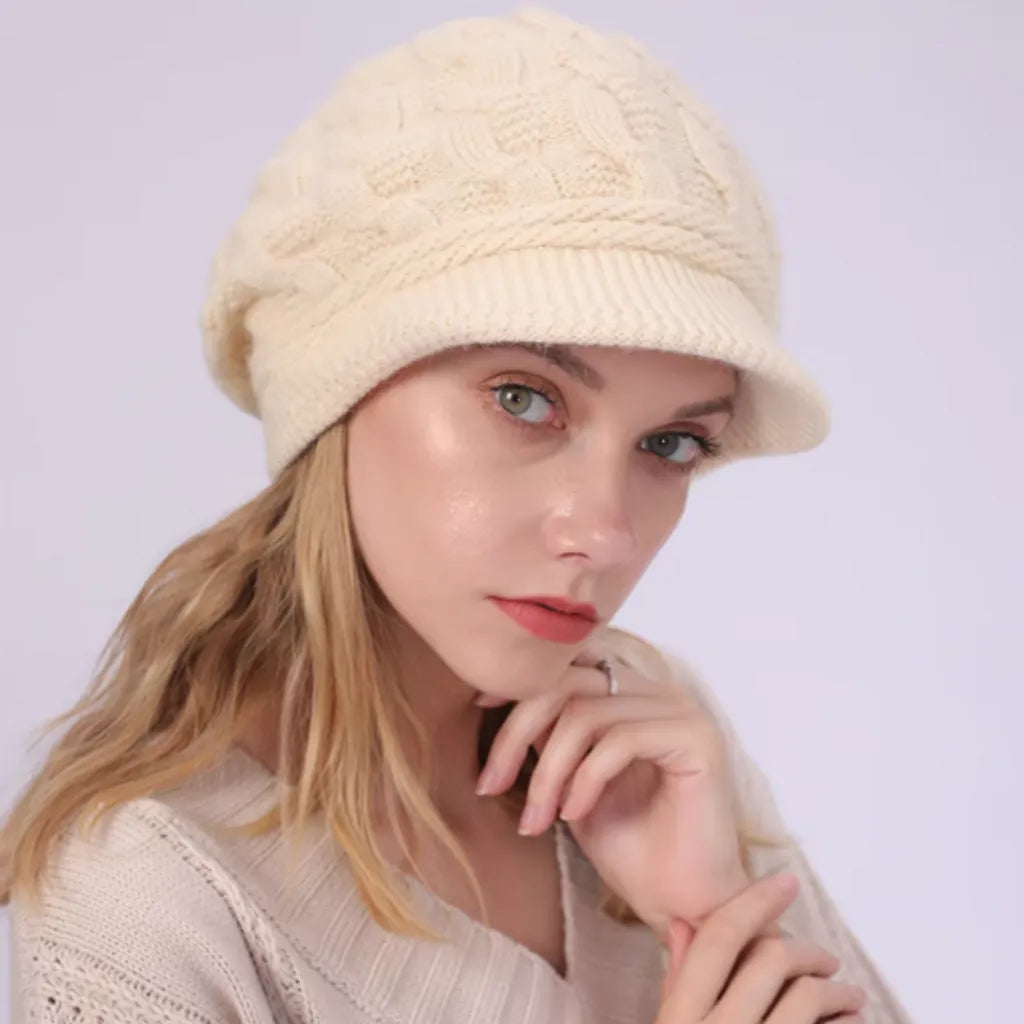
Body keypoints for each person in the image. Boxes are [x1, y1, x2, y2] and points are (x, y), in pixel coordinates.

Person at [1, 6, 913, 1022]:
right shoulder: (149, 892)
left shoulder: (647, 737)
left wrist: (711, 917)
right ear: (338, 389)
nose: (603, 532)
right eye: (524, 398)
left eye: (670, 444)